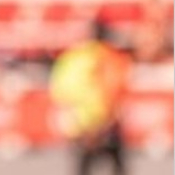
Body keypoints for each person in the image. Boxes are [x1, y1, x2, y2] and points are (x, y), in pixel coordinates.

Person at [50, 20, 133, 175]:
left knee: (83, 166)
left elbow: (60, 93)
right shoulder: (110, 56)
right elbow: (116, 91)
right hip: (103, 123)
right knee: (115, 165)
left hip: (82, 124)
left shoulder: (70, 58)